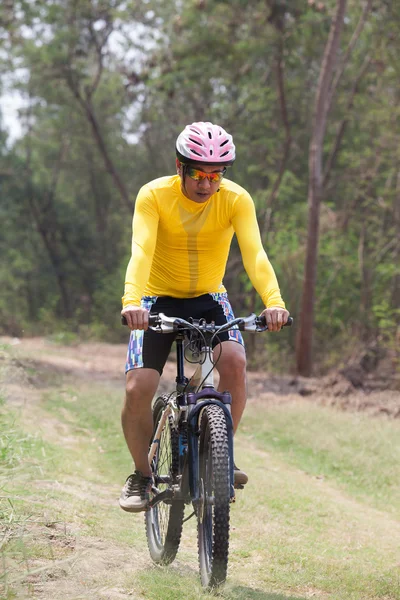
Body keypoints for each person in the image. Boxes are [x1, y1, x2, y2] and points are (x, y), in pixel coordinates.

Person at [119, 121, 289, 512]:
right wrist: (132, 302)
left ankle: (219, 454)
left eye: (216, 175)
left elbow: (255, 254)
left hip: (210, 298)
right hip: (156, 298)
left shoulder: (236, 199)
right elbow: (141, 250)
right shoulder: (153, 195)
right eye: (198, 173)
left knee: (234, 362)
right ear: (179, 167)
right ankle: (142, 476)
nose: (207, 184)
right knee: (137, 389)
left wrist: (274, 301)